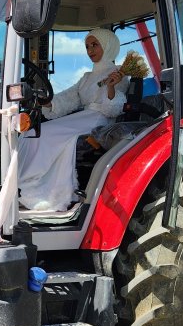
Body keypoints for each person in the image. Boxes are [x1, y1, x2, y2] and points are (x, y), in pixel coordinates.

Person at [18, 28, 128, 211]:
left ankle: (33, 187)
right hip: (83, 117)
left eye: (95, 45)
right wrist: (47, 102)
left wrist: (110, 86)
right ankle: (22, 183)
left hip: (99, 121)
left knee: (44, 133)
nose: (90, 50)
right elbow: (70, 97)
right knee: (31, 132)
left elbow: (113, 109)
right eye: (87, 46)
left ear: (109, 46)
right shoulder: (86, 77)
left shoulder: (119, 74)